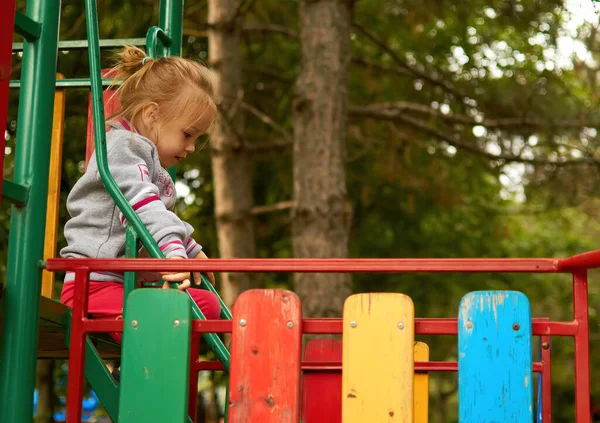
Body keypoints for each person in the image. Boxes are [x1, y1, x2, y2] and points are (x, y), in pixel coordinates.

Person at [59, 45, 222, 343]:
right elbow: (140, 208)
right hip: (92, 287)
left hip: (122, 284)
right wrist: (173, 253)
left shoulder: (146, 158)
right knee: (184, 312)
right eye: (188, 134)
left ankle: (138, 368)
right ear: (152, 114)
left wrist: (189, 246)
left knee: (207, 307)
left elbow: (158, 212)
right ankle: (140, 375)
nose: (191, 148)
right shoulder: (123, 147)